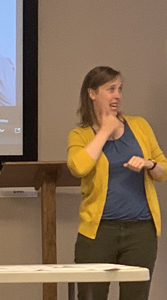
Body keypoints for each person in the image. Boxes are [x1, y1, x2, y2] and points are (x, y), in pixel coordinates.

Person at [67, 66, 166, 300]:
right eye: (110, 89)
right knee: (91, 296)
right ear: (92, 93)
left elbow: (163, 170)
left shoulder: (139, 126)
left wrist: (149, 164)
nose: (117, 95)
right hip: (98, 232)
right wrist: (104, 132)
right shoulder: (80, 135)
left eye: (120, 89)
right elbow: (78, 167)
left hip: (141, 231)